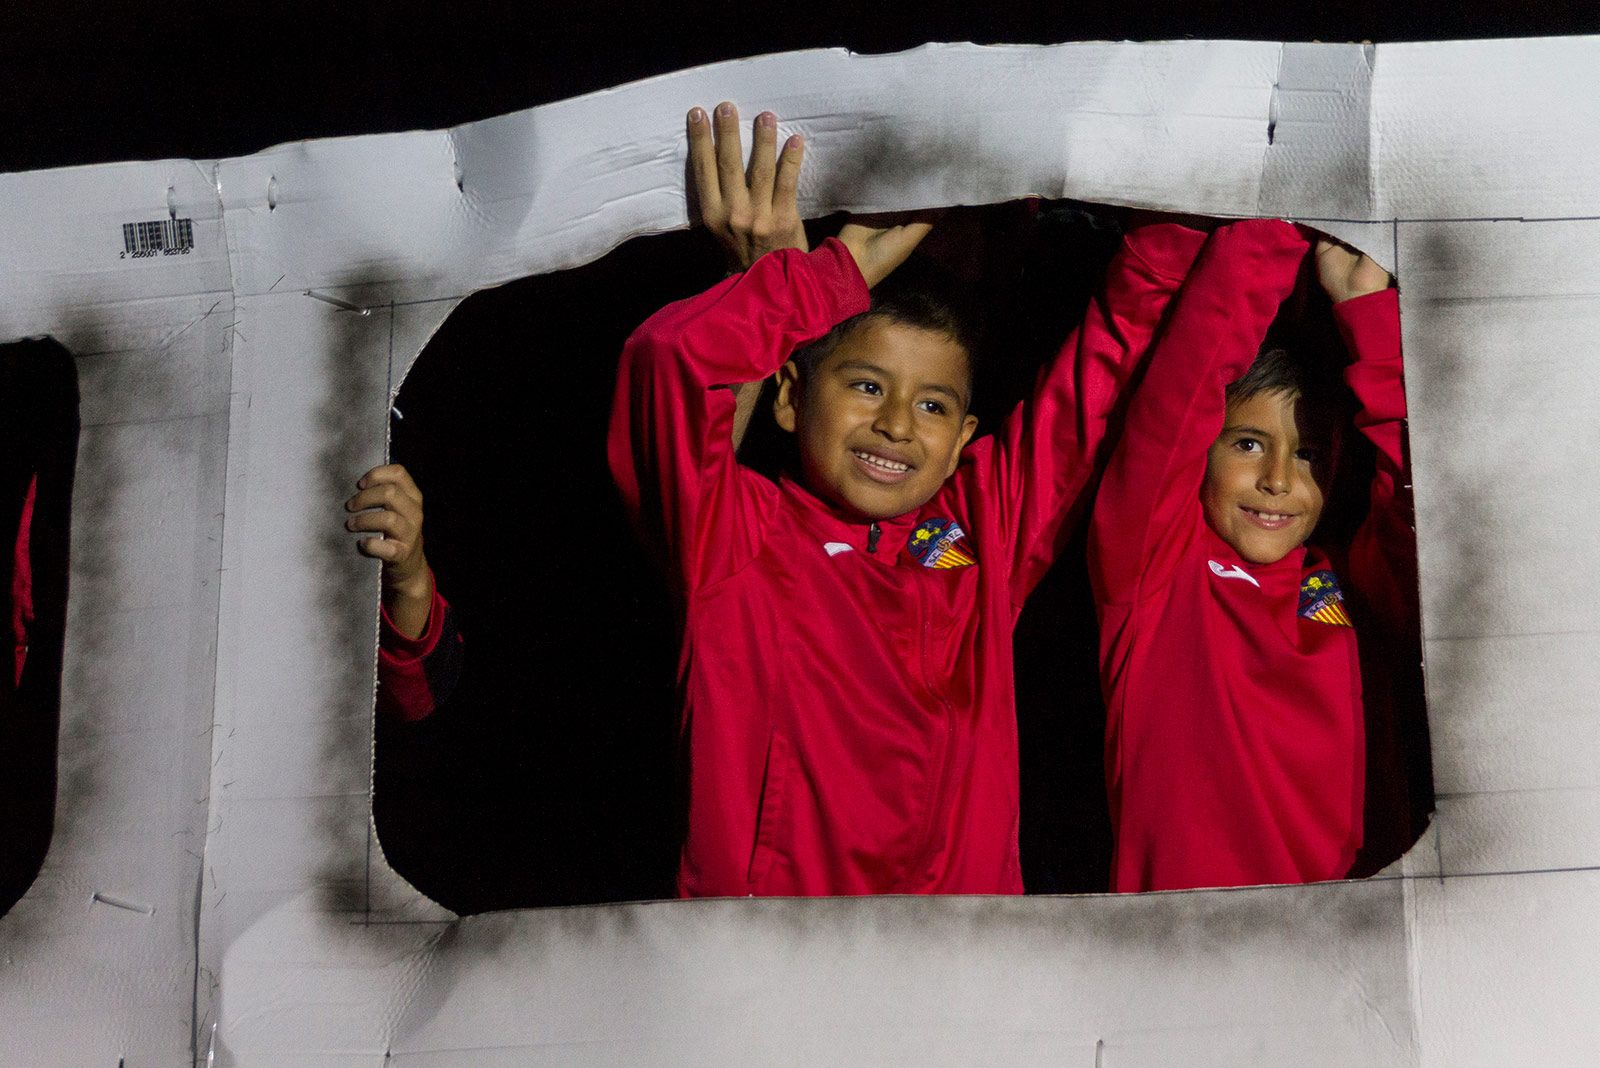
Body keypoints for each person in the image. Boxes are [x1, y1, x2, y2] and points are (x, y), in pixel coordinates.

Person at [605, 103, 1208, 897]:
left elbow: (1112, 353)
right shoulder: (735, 535)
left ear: (964, 438)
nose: (894, 425)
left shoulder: (983, 534)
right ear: (789, 398)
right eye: (864, 386)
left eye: (931, 406)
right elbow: (670, 362)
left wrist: (1200, 167)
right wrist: (826, 276)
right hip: (768, 976)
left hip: (958, 979)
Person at [1087, 219, 1416, 893]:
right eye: (1246, 444)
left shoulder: (1362, 579)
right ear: (1200, 448)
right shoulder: (1153, 568)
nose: (1276, 479)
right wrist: (1268, 224)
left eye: (1307, 454)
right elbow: (1178, 397)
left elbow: (1431, 498)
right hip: (1197, 961)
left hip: (1352, 958)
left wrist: (1365, 314)